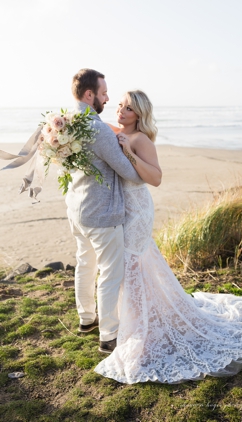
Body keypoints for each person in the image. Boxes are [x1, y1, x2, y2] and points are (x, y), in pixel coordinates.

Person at [94, 90, 242, 383]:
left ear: (139, 114)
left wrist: (129, 151)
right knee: (133, 265)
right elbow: (95, 127)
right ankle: (137, 323)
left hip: (137, 210)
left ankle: (141, 331)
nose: (121, 111)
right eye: (120, 105)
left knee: (132, 264)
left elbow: (156, 178)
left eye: (128, 108)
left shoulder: (140, 140)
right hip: (122, 208)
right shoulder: (117, 131)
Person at [64, 69, 144, 353]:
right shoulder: (97, 130)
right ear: (90, 95)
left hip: (76, 209)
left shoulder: (66, 122)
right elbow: (130, 174)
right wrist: (129, 150)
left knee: (85, 264)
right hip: (101, 214)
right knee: (110, 273)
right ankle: (109, 335)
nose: (108, 98)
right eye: (104, 93)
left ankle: (86, 319)